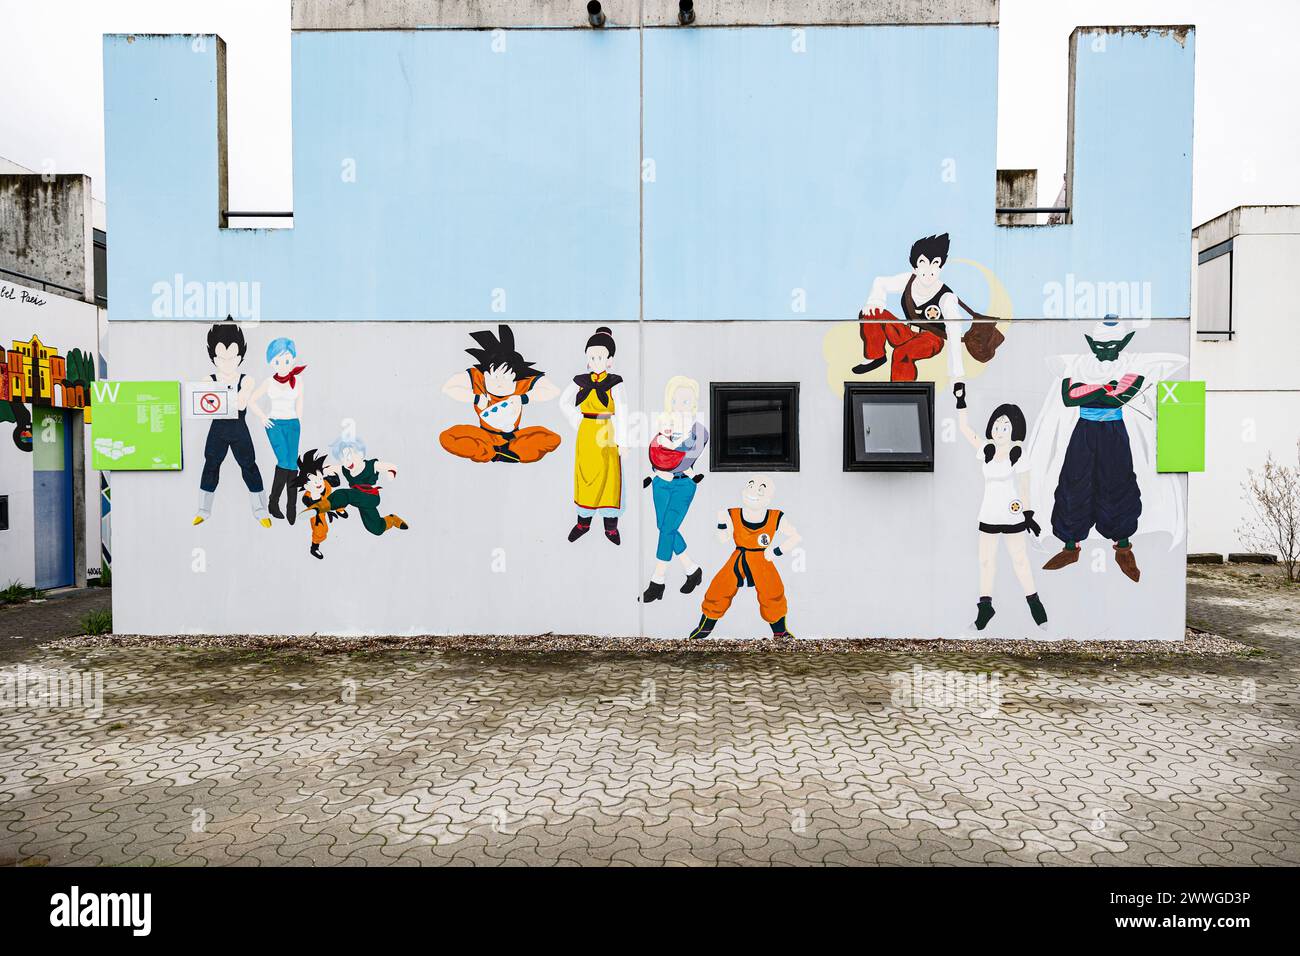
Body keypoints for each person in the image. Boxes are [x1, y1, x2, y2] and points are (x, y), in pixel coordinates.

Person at [1040, 323, 1147, 582]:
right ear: (1090, 343)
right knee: (1074, 482)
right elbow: (1068, 396)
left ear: (1123, 343)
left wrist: (1091, 391)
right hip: (1084, 431)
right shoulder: (1078, 365)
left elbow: (1119, 398)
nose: (1105, 352)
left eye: (1111, 346)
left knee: (1118, 483)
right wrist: (1104, 388)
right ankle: (1070, 545)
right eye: (1099, 346)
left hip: (1113, 432)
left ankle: (1123, 547)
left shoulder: (1132, 365)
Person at [954, 382, 1047, 631]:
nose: (1000, 430)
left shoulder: (1018, 453)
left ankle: (1034, 603)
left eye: (1005, 426)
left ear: (1015, 428)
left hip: (1012, 515)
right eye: (997, 425)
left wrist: (1029, 515)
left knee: (1020, 560)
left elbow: (1024, 486)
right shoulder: (986, 450)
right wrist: (961, 400)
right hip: (988, 514)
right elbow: (964, 429)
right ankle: (985, 608)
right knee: (986, 562)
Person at [853, 233, 1003, 381]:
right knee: (872, 312)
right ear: (915, 266)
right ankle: (876, 356)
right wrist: (875, 301)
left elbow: (954, 331)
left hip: (931, 339)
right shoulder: (908, 281)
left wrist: (957, 377)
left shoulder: (946, 297)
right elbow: (880, 282)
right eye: (923, 262)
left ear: (941, 267)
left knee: (902, 353)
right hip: (907, 332)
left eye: (935, 263)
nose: (929, 269)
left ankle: (903, 394)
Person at [688, 476, 801, 641]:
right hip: (739, 557)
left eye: (761, 489)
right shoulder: (732, 514)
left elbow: (795, 537)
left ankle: (780, 631)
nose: (753, 491)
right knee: (719, 588)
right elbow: (723, 539)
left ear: (768, 498)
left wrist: (776, 551)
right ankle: (705, 628)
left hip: (762, 558)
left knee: (772, 591)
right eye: (750, 486)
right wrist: (721, 523)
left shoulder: (775, 517)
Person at [440, 324, 561, 463]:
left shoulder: (521, 383)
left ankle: (504, 451)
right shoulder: (479, 378)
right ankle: (494, 453)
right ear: (485, 374)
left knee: (551, 438)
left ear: (515, 376)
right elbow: (448, 387)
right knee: (448, 437)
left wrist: (524, 398)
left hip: (513, 437)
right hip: (485, 436)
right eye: (495, 377)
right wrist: (475, 398)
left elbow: (553, 390)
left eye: (506, 378)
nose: (499, 382)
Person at [193, 319, 270, 526]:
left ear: (240, 356)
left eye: (232, 357)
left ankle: (261, 510)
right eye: (221, 357)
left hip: (238, 428)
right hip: (217, 428)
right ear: (213, 357)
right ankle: (203, 509)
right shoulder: (209, 379)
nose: (227, 362)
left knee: (249, 466)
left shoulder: (246, 379)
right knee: (211, 465)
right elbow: (201, 397)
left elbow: (243, 399)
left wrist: (234, 396)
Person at [641, 375, 707, 602]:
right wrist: (656, 472)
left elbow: (688, 459)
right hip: (660, 483)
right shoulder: (664, 425)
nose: (681, 406)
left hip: (682, 484)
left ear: (694, 403)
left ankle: (657, 581)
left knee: (667, 528)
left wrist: (667, 453)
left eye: (687, 402)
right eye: (677, 401)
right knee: (663, 526)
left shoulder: (699, 430)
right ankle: (692, 569)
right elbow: (654, 453)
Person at [561, 327, 627, 545]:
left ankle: (610, 528)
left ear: (610, 360)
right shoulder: (581, 380)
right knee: (585, 476)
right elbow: (563, 401)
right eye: (591, 357)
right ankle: (583, 523)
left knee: (609, 479)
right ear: (587, 359)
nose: (595, 360)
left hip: (607, 432)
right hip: (587, 433)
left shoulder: (615, 382)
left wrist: (622, 441)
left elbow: (623, 411)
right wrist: (577, 419)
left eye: (600, 356)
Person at [247, 337, 305, 524]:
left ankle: (288, 506)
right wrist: (263, 417)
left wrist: (298, 422)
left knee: (292, 465)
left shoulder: (298, 380)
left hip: (292, 424)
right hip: (275, 424)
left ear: (293, 359)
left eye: (287, 360)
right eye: (277, 361)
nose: (282, 364)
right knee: (284, 461)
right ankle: (277, 503)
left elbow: (300, 402)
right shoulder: (269, 382)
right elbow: (251, 400)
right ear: (271, 363)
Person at [328, 436, 409, 537]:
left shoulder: (371, 465)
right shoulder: (345, 469)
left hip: (370, 496)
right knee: (375, 528)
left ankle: (327, 505)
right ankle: (392, 519)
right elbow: (331, 468)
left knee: (344, 494)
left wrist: (390, 474)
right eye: (342, 460)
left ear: (360, 453)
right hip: (359, 500)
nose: (347, 462)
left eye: (349, 456)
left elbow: (391, 467)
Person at [294, 448, 350, 559]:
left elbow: (336, 482)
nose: (318, 483)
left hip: (331, 502)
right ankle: (314, 547)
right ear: (306, 485)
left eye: (319, 478)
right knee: (320, 529)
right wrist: (314, 498)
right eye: (314, 481)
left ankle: (340, 509)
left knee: (341, 496)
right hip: (319, 510)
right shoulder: (308, 495)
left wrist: (331, 471)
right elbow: (307, 502)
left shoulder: (325, 482)